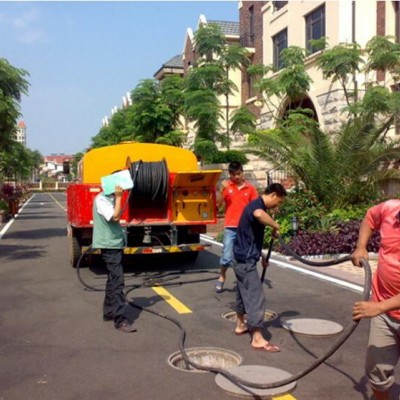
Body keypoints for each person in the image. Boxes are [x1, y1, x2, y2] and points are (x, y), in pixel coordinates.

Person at [351, 199, 400, 400]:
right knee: (377, 371)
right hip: (384, 313)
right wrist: (361, 246)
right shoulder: (391, 208)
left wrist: (379, 307)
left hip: (381, 306)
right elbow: (371, 216)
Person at [232, 182, 286, 352]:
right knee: (256, 296)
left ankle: (240, 324)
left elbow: (251, 237)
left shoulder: (255, 206)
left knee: (243, 292)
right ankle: (257, 337)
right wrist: (275, 225)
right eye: (278, 202)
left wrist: (261, 257)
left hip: (241, 257)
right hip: (245, 261)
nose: (277, 206)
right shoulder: (257, 206)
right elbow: (258, 214)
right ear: (274, 195)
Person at [92, 183, 136, 333]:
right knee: (118, 281)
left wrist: (117, 198)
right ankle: (120, 320)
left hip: (115, 244)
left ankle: (109, 312)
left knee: (112, 281)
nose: (122, 190)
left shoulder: (108, 199)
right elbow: (115, 216)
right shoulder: (102, 199)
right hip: (109, 245)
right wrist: (118, 198)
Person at [214, 161, 258, 293]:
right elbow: (219, 205)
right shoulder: (228, 188)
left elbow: (256, 207)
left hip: (245, 228)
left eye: (238, 173)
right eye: (233, 174)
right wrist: (221, 190)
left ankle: (244, 281)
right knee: (226, 257)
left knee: (244, 257)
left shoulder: (250, 189)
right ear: (230, 175)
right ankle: (222, 276)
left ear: (242, 172)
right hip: (231, 227)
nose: (236, 177)